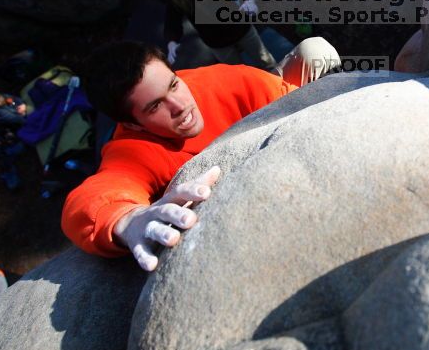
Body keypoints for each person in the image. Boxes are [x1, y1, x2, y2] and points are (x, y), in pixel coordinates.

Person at [62, 37, 340, 271]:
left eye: (173, 84)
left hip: (268, 101)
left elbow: (291, 100)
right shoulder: (134, 148)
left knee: (315, 50)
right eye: (155, 105)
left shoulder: (223, 81)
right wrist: (128, 219)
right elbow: (91, 199)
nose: (180, 105)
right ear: (133, 123)